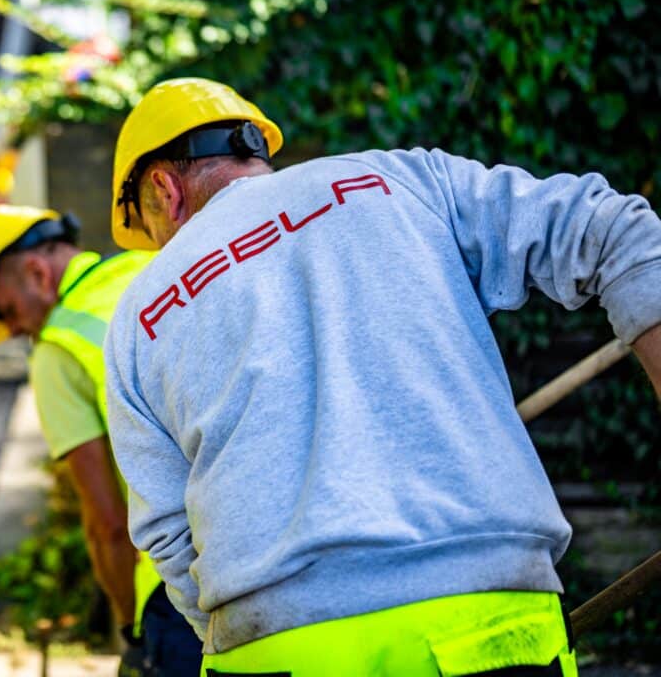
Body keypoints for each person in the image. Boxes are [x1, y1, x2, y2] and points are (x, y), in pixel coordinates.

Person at [100, 77, 661, 676]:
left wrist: (248, 622)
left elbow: (168, 536)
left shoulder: (138, 317)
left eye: (143, 226)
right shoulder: (405, 180)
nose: (153, 251)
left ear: (162, 188)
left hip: (281, 651)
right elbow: (617, 231)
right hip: (493, 624)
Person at [0, 205, 204, 676]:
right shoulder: (157, 266)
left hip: (179, 589)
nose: (14, 331)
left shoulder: (58, 348)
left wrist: (131, 628)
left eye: (6, 312)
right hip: (265, 551)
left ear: (36, 272)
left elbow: (106, 523)